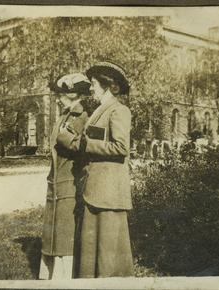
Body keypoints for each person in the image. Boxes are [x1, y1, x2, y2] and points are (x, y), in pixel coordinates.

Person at [57, 61, 134, 278]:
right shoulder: (100, 110)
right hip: (96, 191)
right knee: (93, 253)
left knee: (107, 255)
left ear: (108, 86)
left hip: (108, 194)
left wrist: (82, 144)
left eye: (93, 84)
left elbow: (121, 148)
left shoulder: (119, 110)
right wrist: (74, 140)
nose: (90, 88)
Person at [39, 73, 91, 279]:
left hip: (69, 182)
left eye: (61, 94)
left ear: (73, 94)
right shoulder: (63, 117)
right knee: (53, 232)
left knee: (64, 234)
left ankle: (62, 279)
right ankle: (50, 276)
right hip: (56, 182)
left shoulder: (83, 118)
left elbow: (82, 151)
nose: (58, 98)